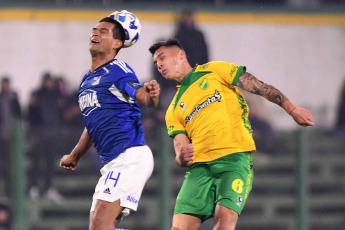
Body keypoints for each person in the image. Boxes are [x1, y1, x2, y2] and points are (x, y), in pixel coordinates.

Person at [149, 39, 314, 230]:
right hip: (200, 170)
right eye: (155, 63)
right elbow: (180, 147)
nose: (158, 64)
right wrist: (181, 157)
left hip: (233, 160)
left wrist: (292, 109)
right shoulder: (173, 109)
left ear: (181, 55)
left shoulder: (214, 70)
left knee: (224, 221)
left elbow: (259, 86)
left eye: (162, 57)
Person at [59, 16, 160, 230]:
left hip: (129, 156)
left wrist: (151, 96)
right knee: (99, 228)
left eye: (103, 31)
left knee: (100, 224)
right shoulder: (87, 80)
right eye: (94, 29)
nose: (95, 33)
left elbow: (142, 95)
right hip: (112, 163)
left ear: (117, 44)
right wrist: (75, 155)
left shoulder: (118, 69)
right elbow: (93, 124)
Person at [27, 72, 64, 203]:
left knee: (49, 163)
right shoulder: (36, 94)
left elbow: (59, 114)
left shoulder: (56, 95)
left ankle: (48, 188)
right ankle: (34, 188)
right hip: (40, 134)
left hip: (51, 135)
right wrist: (33, 133)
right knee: (37, 162)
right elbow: (31, 114)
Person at [0, 76, 21, 198]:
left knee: (11, 165)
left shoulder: (14, 100)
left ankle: (9, 190)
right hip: (2, 137)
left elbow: (18, 116)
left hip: (12, 138)